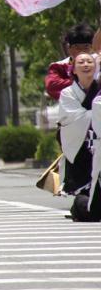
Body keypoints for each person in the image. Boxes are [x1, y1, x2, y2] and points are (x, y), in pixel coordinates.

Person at [58, 53, 97, 202]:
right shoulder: (67, 93)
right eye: (81, 62)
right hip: (81, 146)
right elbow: (73, 119)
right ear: (74, 70)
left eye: (89, 62)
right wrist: (96, 113)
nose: (86, 64)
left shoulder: (99, 89)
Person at [46, 23, 96, 101]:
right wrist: (85, 83)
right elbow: (52, 86)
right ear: (68, 48)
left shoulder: (98, 62)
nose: (81, 51)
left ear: (92, 47)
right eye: (76, 47)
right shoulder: (59, 66)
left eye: (86, 46)